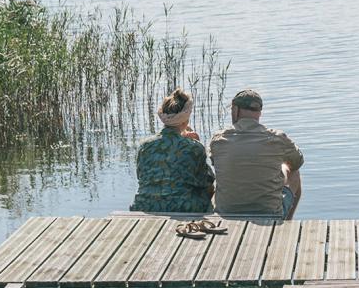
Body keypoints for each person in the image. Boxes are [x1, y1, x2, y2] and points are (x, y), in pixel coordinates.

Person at [210, 89, 304, 219]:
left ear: (235, 110)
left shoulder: (218, 140)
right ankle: (285, 223)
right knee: (294, 172)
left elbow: (216, 163)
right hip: (269, 214)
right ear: (259, 113)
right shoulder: (277, 138)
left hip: (226, 214)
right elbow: (298, 161)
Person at [130, 88, 215, 213]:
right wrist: (196, 143)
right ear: (186, 119)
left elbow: (141, 177)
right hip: (183, 207)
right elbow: (206, 182)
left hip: (144, 206)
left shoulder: (144, 146)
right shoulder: (194, 147)